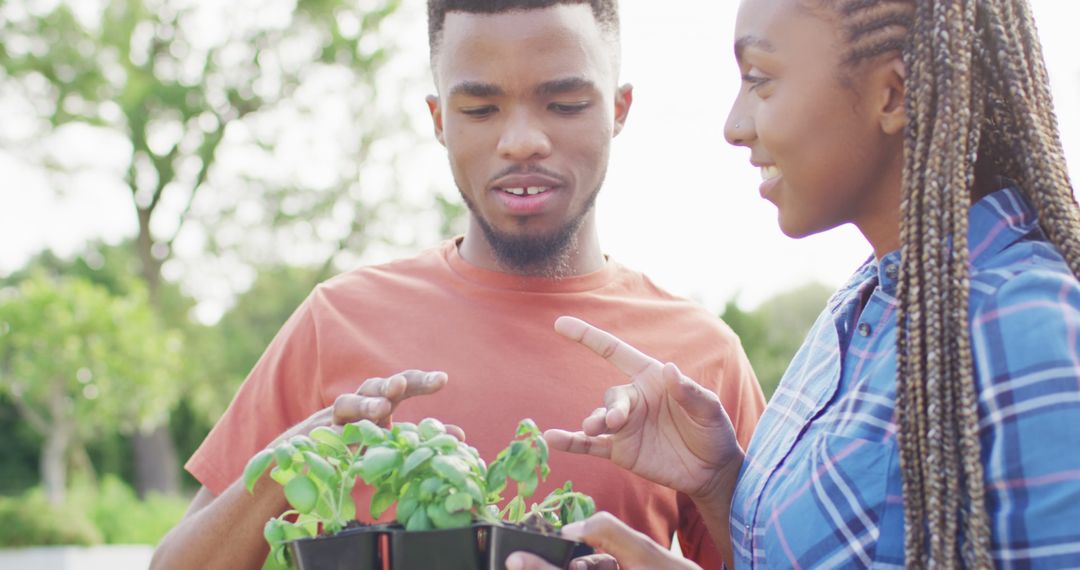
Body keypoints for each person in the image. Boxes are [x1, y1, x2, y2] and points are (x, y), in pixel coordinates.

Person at [150, 1, 766, 568]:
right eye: (480, 109)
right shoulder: (335, 320)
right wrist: (301, 454)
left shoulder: (699, 363)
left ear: (618, 109)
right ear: (440, 119)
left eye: (566, 103)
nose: (522, 140)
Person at [506, 0, 1080, 568]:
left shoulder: (1026, 327)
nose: (734, 126)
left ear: (894, 94)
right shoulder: (862, 306)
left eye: (760, 81)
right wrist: (718, 481)